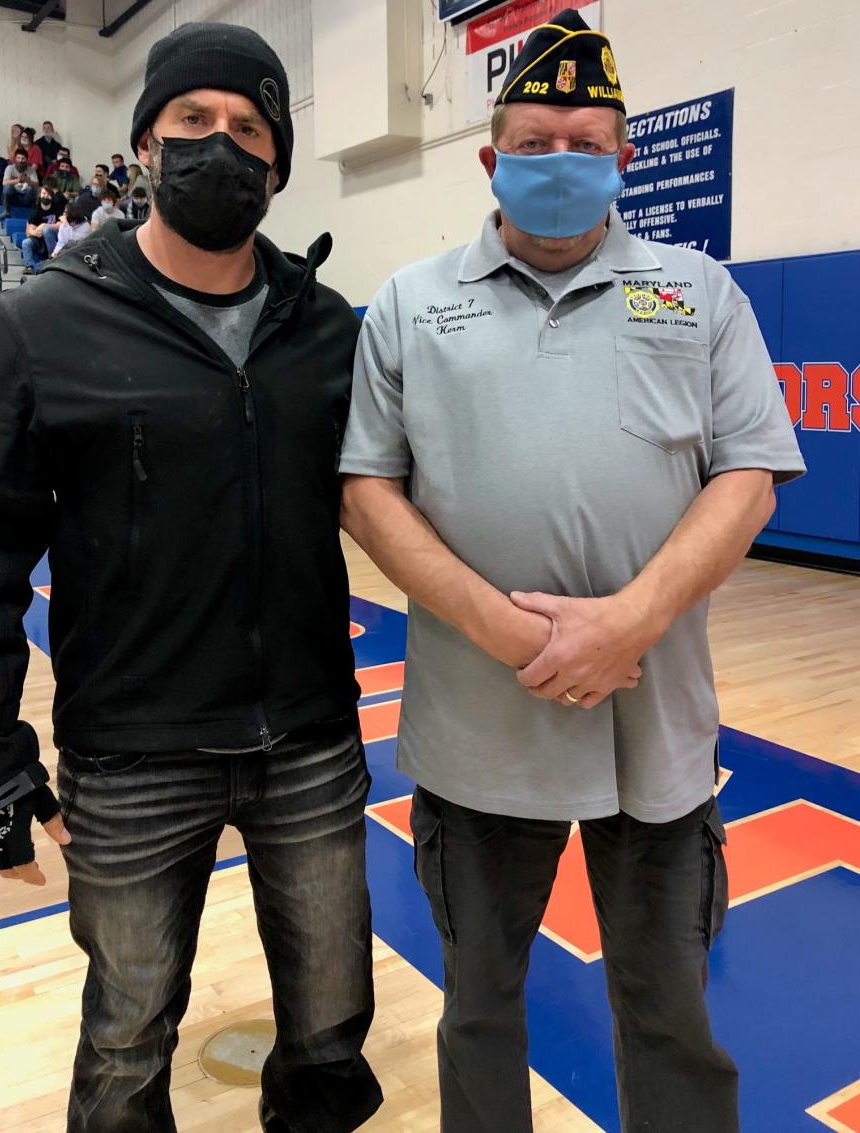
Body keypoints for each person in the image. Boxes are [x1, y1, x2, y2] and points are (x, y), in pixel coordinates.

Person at [339, 10, 807, 1133]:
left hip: (656, 734)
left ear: (624, 159)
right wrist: (518, 635)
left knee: (670, 1012)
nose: (563, 164)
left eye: (587, 143)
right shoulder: (411, 301)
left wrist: (627, 622)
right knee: (482, 1008)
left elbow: (748, 472)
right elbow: (366, 489)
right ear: (491, 159)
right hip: (479, 736)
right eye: (536, 144)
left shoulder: (699, 294)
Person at [0, 21, 382, 1133]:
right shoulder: (44, 324)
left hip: (310, 742)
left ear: (277, 161)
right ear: (144, 144)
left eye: (250, 128)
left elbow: (396, 500)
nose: (221, 145)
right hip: (131, 756)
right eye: (194, 123)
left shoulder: (324, 327)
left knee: (329, 1030)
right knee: (126, 1043)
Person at [22, 184, 67, 273]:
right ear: (40, 195)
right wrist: (35, 232)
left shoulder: (56, 209)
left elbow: (60, 225)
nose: (46, 196)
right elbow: (30, 229)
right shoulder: (36, 211)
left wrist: (44, 226)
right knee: (26, 242)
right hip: (39, 239)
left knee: (46, 230)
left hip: (53, 237)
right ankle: (29, 267)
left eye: (48, 194)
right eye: (44, 193)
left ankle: (52, 258)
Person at [1, 148, 39, 217]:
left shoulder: (31, 170)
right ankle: (6, 211)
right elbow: (4, 182)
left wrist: (28, 181)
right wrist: (18, 180)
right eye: (18, 158)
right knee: (7, 187)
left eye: (23, 158)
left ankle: (36, 213)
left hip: (26, 197)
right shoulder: (10, 168)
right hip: (14, 196)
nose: (20, 161)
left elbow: (37, 185)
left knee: (37, 190)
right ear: (15, 159)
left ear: (27, 159)